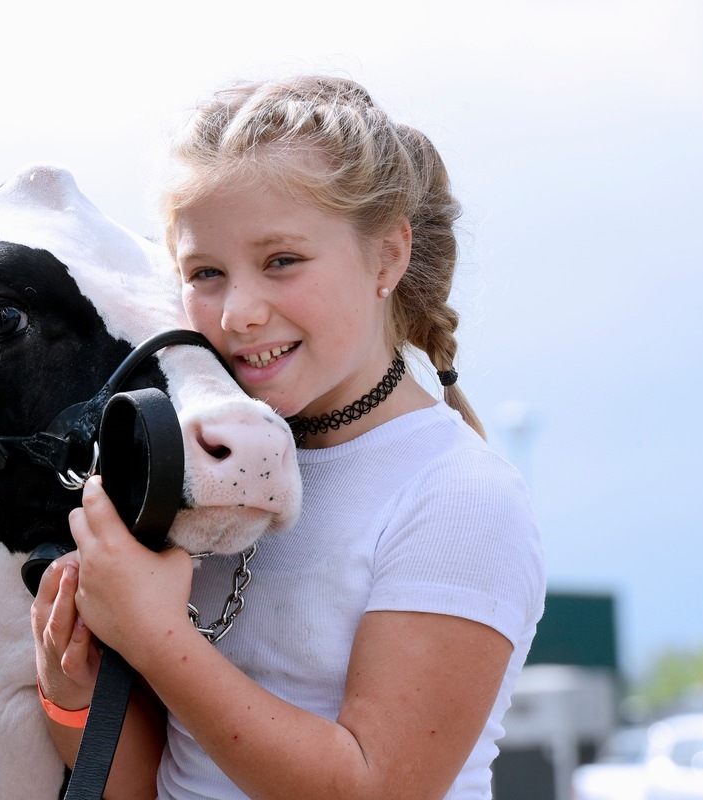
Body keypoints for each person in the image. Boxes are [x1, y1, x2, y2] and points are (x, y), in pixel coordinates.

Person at [31, 74, 546, 799]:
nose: (239, 312)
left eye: (281, 261)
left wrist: (155, 637)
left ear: (388, 256)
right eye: (205, 272)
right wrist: (71, 691)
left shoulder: (459, 494)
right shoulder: (205, 466)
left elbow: (374, 788)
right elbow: (152, 782)